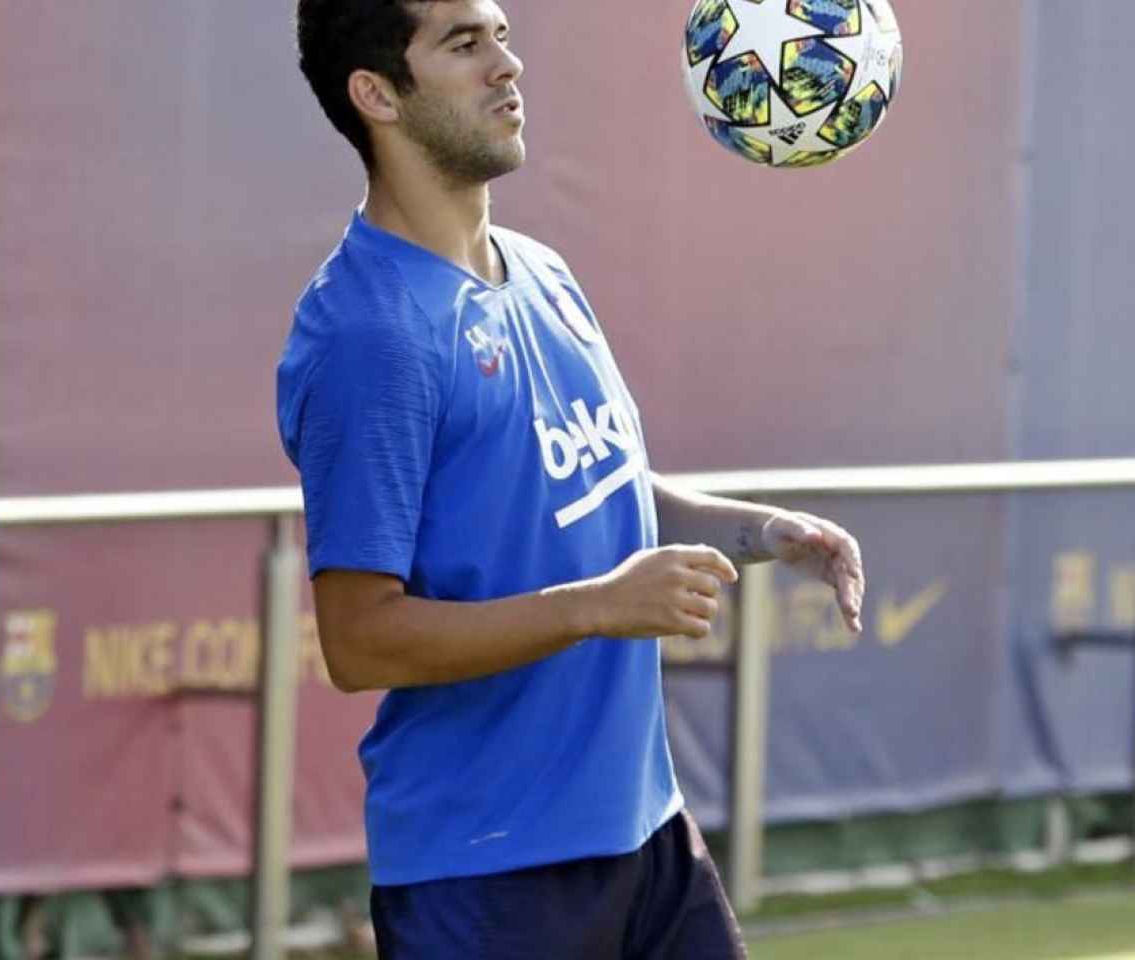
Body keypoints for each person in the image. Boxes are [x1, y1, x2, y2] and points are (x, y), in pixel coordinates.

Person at [280, 2, 866, 956]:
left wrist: (759, 531)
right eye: (464, 46)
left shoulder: (541, 273)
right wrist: (595, 606)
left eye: (501, 36)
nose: (506, 65)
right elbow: (359, 640)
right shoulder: (370, 337)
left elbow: (605, 489)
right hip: (485, 875)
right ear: (376, 93)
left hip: (646, 833)